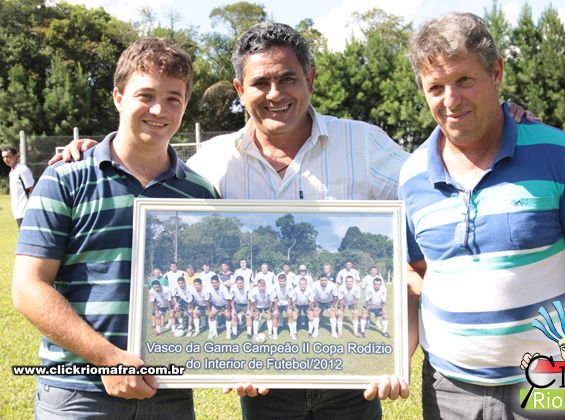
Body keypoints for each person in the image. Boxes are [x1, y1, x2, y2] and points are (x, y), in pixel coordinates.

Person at [52, 20, 534, 419]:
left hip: (354, 386)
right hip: (263, 388)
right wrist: (93, 149)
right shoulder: (213, 162)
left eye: (287, 79)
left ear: (311, 80)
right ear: (240, 90)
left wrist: (501, 119)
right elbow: (152, 165)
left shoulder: (363, 144)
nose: (274, 93)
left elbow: (433, 175)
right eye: (260, 83)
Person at [399, 13, 565, 419]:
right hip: (449, 390)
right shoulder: (412, 175)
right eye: (436, 87)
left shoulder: (559, 154)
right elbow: (418, 272)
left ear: (497, 72)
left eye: (464, 80)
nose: (451, 100)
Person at [11, 37, 218, 418]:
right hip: (79, 393)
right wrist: (108, 359)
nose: (159, 109)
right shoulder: (65, 178)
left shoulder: (200, 194)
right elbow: (28, 288)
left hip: (168, 393)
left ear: (185, 104)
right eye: (145, 95)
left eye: (173, 98)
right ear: (118, 97)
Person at [2, 146, 34, 227]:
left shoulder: (22, 169)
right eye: (3, 157)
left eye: (8, 156)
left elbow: (32, 189)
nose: (5, 159)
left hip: (26, 211)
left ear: (15, 156)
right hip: (18, 212)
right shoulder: (12, 172)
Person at [311, 273, 338, 338]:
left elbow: (335, 296)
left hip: (329, 301)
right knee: (316, 313)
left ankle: (334, 332)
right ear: (319, 280)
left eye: (325, 280)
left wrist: (333, 305)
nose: (323, 282)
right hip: (318, 301)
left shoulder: (332, 285)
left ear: (327, 280)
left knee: (332, 313)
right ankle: (315, 331)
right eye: (322, 280)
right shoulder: (315, 285)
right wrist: (316, 306)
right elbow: (313, 296)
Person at [206, 274, 233, 339]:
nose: (214, 284)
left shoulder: (223, 288)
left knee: (228, 316)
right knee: (211, 315)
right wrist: (209, 311)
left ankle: (228, 334)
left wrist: (228, 310)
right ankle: (213, 332)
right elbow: (207, 301)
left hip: (224, 305)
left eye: (216, 283)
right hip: (216, 305)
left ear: (219, 282)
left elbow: (228, 300)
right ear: (211, 283)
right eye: (213, 283)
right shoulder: (209, 289)